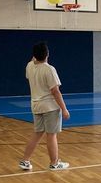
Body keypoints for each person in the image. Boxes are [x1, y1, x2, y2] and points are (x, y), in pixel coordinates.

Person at [19, 42, 70, 171]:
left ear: (34, 55)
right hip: (50, 107)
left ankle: (25, 160)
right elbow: (55, 91)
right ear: (47, 54)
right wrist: (64, 109)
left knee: (37, 134)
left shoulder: (29, 66)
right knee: (51, 135)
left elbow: (32, 63)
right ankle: (54, 163)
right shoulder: (49, 69)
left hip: (36, 106)